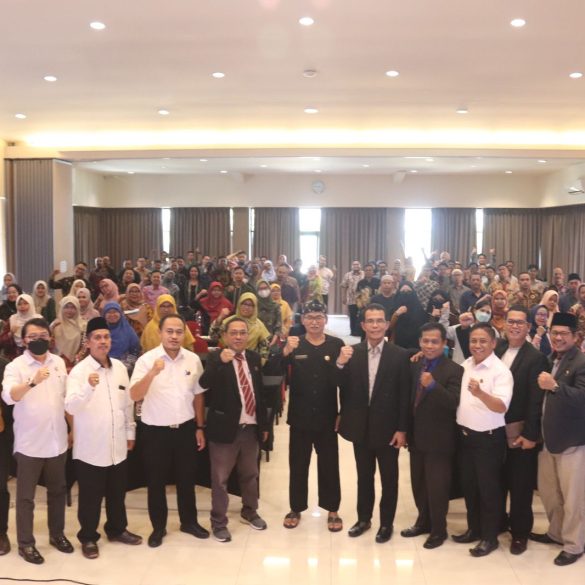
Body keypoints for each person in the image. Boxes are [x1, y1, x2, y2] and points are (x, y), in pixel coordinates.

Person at [65, 317, 142, 559]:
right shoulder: (79, 372)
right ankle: (88, 537)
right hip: (91, 447)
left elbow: (128, 403)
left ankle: (117, 529)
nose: (102, 341)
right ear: (88, 342)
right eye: (97, 337)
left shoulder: (119, 367)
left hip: (117, 443)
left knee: (117, 492)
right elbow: (70, 406)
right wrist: (88, 387)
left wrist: (130, 432)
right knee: (90, 496)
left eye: (106, 337)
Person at [130, 313, 208, 547]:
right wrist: (152, 373)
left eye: (178, 332)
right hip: (155, 431)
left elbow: (198, 395)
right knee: (156, 482)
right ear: (160, 333)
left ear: (184, 334)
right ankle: (158, 527)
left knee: (187, 478)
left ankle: (189, 522)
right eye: (169, 331)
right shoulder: (146, 360)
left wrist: (200, 427)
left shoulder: (193, 359)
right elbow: (134, 395)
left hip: (185, 429)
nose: (174, 336)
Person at [1, 318, 74, 564]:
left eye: (43, 335)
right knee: (26, 497)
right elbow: (10, 396)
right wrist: (32, 381)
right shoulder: (16, 366)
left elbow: (65, 399)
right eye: (32, 336)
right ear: (24, 340)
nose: (38, 340)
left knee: (58, 491)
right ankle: (26, 544)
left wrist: (72, 428)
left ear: (50, 338)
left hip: (57, 440)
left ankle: (57, 534)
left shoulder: (58, 363)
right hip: (29, 443)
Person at [338, 303, 410, 543]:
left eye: (380, 320)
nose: (375, 325)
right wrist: (339, 364)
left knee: (389, 479)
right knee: (363, 476)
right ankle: (364, 518)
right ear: (363, 325)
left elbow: (404, 396)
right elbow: (341, 387)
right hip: (360, 427)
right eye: (370, 321)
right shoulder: (352, 352)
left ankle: (386, 523)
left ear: (387, 324)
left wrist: (402, 429)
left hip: (388, 430)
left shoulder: (400, 355)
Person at [198, 317, 269, 542]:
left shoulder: (254, 358)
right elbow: (203, 384)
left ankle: (250, 511)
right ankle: (219, 522)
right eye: (234, 333)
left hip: (251, 427)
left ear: (248, 335)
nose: (238, 337)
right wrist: (219, 362)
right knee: (220, 479)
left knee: (250, 474)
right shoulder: (215, 357)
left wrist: (264, 425)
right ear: (225, 336)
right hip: (224, 429)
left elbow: (260, 393)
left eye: (242, 332)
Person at [281, 301, 347, 532]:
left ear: (325, 320)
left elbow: (344, 382)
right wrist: (285, 352)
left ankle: (332, 509)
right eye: (310, 317)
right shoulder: (295, 343)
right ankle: (295, 507)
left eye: (319, 317)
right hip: (299, 417)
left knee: (329, 465)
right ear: (302, 320)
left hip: (328, 417)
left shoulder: (336, 345)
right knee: (298, 464)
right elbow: (275, 371)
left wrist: (342, 413)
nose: (314, 321)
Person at [452, 323, 513, 557]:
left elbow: (501, 406)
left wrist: (480, 393)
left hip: (488, 440)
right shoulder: (466, 364)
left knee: (489, 490)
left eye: (483, 341)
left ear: (493, 343)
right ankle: (474, 529)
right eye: (473, 341)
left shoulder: (500, 371)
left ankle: (490, 537)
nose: (477, 345)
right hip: (465, 437)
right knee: (469, 486)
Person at [401, 323, 463, 549]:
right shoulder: (415, 364)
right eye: (425, 341)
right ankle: (423, 522)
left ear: (444, 343)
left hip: (440, 440)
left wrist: (433, 386)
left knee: (437, 488)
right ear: (419, 342)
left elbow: (453, 402)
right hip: (416, 437)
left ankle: (438, 530)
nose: (429, 345)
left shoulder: (454, 370)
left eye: (434, 341)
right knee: (419, 484)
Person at [531, 312, 585, 566]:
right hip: (547, 440)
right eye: (555, 333)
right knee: (550, 493)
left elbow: (582, 399)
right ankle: (556, 533)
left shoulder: (581, 362)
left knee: (573, 498)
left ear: (576, 336)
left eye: (564, 333)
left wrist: (555, 386)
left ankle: (574, 544)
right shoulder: (550, 358)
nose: (558, 338)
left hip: (572, 442)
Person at [495, 306, 549, 555]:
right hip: (495, 429)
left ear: (528, 327)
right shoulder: (497, 349)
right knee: (498, 481)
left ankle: (519, 533)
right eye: (511, 321)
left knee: (520, 485)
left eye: (520, 322)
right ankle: (498, 522)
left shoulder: (535, 357)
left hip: (520, 431)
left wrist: (530, 435)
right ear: (504, 324)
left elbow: (536, 401)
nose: (515, 326)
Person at [102, 302, 141, 372]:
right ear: (104, 315)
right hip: (102, 367)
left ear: (120, 313)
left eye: (115, 312)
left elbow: (134, 352)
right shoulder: (99, 332)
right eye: (109, 312)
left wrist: (123, 368)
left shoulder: (128, 331)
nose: (112, 315)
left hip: (123, 368)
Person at [389, 282, 428, 350]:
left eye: (409, 292)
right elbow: (389, 327)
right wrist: (396, 314)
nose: (406, 294)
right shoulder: (393, 308)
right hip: (397, 345)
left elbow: (425, 328)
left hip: (416, 346)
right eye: (403, 292)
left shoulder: (420, 309)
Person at [51, 296, 84, 372]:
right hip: (56, 363)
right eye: (66, 307)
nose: (69, 310)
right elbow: (50, 345)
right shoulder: (55, 325)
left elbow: (84, 346)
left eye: (73, 307)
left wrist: (78, 359)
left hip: (76, 364)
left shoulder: (83, 326)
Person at [340, 261, 364, 337]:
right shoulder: (347, 275)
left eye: (357, 264)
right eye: (354, 264)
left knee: (362, 316)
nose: (356, 266)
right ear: (352, 266)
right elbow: (344, 286)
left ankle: (361, 332)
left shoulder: (363, 274)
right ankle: (353, 332)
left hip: (362, 300)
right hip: (351, 299)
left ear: (360, 266)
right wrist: (343, 297)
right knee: (353, 316)